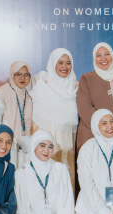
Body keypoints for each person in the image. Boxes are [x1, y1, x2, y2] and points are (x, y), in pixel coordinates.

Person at [16, 130, 76, 214]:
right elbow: (22, 207)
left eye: (50, 146)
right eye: (42, 145)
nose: (46, 150)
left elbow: (67, 199)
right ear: (33, 146)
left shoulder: (60, 169)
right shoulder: (22, 172)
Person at [30, 48, 79, 189]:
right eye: (60, 63)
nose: (64, 67)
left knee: (65, 180)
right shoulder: (39, 81)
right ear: (52, 63)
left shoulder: (76, 87)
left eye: (68, 63)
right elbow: (19, 88)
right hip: (45, 140)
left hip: (67, 142)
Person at [76, 42, 113, 150]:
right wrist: (107, 129)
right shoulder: (86, 79)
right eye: (98, 55)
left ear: (112, 56)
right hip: (92, 136)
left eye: (107, 54)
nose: (103, 58)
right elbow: (84, 109)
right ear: (94, 58)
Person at [0, 60, 33, 167]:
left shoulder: (29, 94)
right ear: (12, 75)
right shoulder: (3, 92)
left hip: (25, 140)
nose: (22, 78)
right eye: (18, 74)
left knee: (24, 172)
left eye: (26, 74)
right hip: (7, 141)